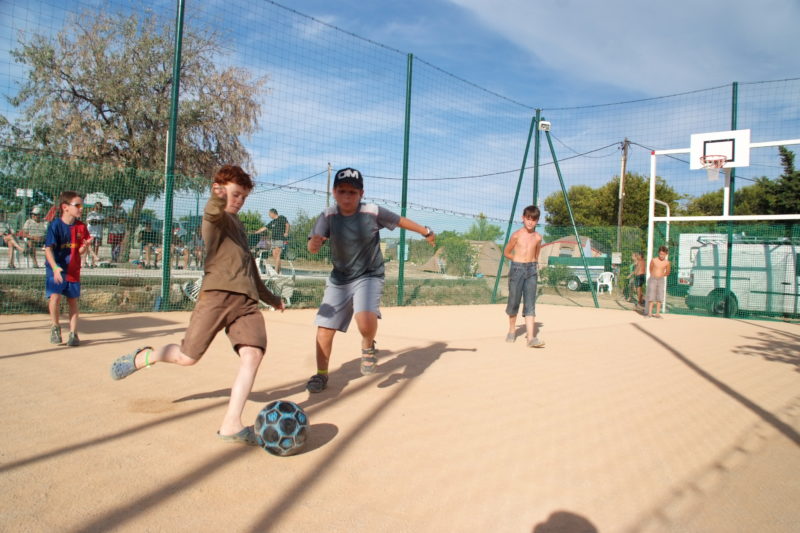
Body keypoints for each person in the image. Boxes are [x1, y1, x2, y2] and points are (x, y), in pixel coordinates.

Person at [110, 165, 285, 446]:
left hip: (247, 302)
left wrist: (270, 298)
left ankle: (231, 424)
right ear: (219, 188)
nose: (239, 201)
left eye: (243, 197)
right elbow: (213, 210)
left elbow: (249, 265)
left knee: (253, 354)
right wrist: (217, 196)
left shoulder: (238, 224)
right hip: (216, 296)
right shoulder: (214, 219)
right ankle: (147, 356)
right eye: (235, 194)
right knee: (187, 357)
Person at [305, 167, 435, 393]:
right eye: (342, 191)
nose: (347, 197)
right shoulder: (328, 215)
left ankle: (367, 344)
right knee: (325, 328)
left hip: (369, 275)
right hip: (340, 278)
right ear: (334, 192)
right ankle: (321, 375)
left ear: (361, 194)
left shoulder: (372, 212)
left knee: (365, 320)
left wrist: (425, 231)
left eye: (352, 193)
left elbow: (400, 220)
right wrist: (313, 245)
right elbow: (313, 245)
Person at [44, 192, 91, 346]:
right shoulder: (55, 225)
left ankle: (73, 333)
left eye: (82, 205)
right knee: (55, 297)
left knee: (72, 300)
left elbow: (79, 251)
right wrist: (55, 268)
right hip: (56, 268)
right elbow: (48, 249)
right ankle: (55, 327)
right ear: (65, 207)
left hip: (73, 269)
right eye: (77, 205)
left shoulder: (81, 227)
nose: (81, 209)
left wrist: (85, 247)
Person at [503, 205, 545, 348]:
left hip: (531, 270)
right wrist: (516, 260)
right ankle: (511, 330)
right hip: (517, 269)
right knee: (514, 301)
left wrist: (533, 264)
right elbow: (507, 252)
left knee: (530, 303)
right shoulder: (516, 235)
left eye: (533, 219)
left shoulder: (539, 238)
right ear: (523, 218)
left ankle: (531, 338)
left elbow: (536, 254)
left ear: (537, 221)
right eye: (528, 218)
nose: (530, 222)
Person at [253, 208, 291, 274]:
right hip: (273, 239)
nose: (269, 215)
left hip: (280, 238)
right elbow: (265, 228)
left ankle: (276, 272)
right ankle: (279, 271)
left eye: (269, 214)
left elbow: (287, 225)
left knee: (277, 254)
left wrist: (286, 232)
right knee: (274, 255)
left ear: (273, 213)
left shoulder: (281, 217)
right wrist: (257, 232)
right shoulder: (272, 222)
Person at [646, 245, 670, 318]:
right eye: (660, 254)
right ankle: (649, 313)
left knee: (660, 296)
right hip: (653, 279)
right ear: (658, 253)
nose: (662, 256)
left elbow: (668, 272)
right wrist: (654, 275)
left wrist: (661, 275)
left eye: (663, 254)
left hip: (661, 280)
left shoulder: (667, 262)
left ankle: (657, 313)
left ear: (666, 254)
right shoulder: (654, 260)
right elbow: (650, 268)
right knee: (651, 295)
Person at [84, 202, 105, 267]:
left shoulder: (101, 215)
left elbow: (104, 222)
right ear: (95, 207)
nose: (98, 208)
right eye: (97, 207)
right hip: (91, 232)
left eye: (100, 207)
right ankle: (87, 260)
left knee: (96, 246)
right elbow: (89, 222)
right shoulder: (91, 213)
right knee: (89, 247)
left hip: (98, 233)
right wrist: (97, 221)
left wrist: (96, 221)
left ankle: (94, 261)